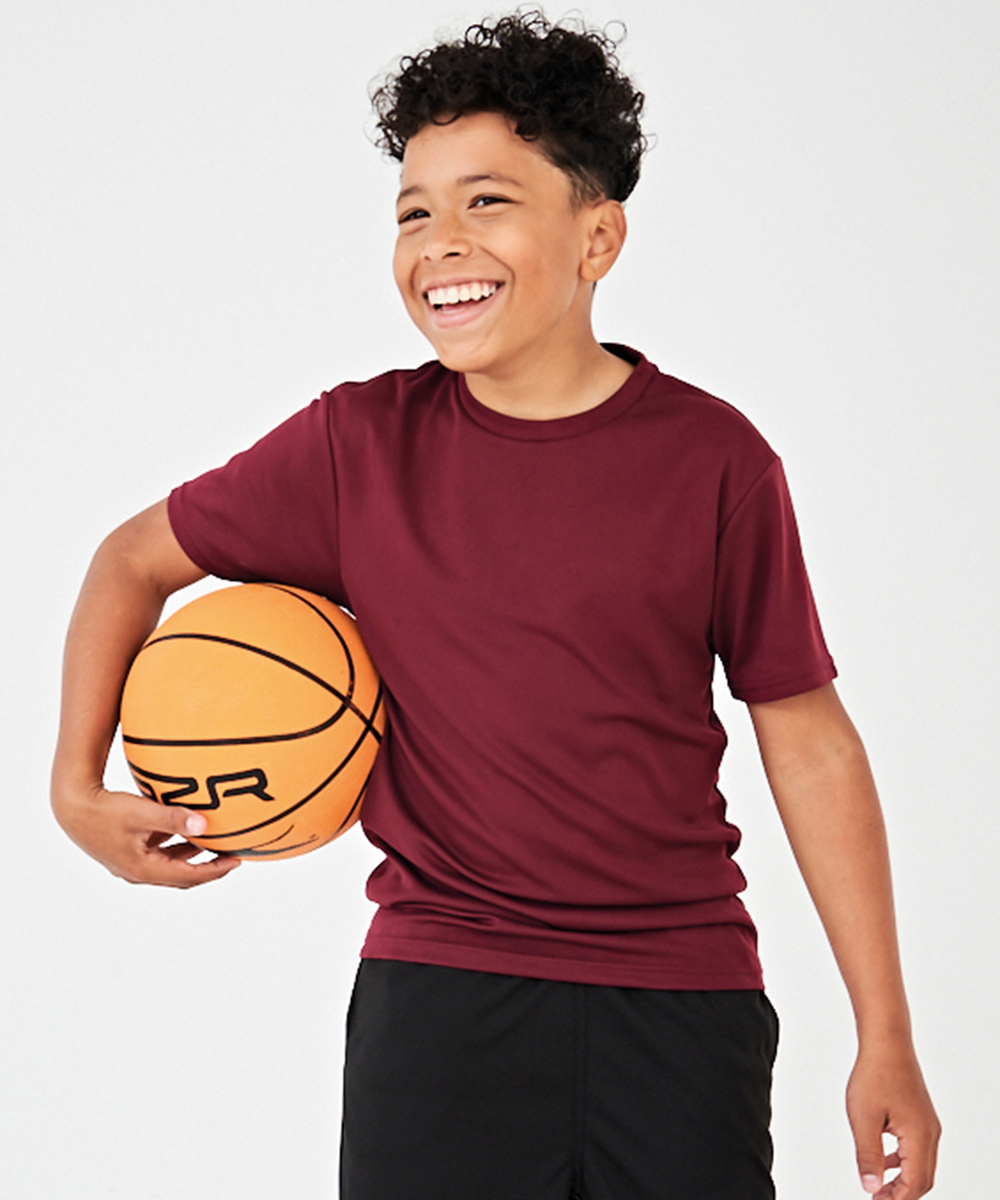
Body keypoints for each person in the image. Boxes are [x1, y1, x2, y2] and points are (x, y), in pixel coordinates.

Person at [51, 9, 940, 1199]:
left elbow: (808, 736)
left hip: (682, 1002)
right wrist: (75, 786)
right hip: (440, 999)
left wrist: (885, 1032)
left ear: (598, 236)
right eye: (413, 212)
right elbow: (131, 561)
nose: (441, 243)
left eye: (487, 201)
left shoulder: (715, 461)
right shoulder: (356, 447)